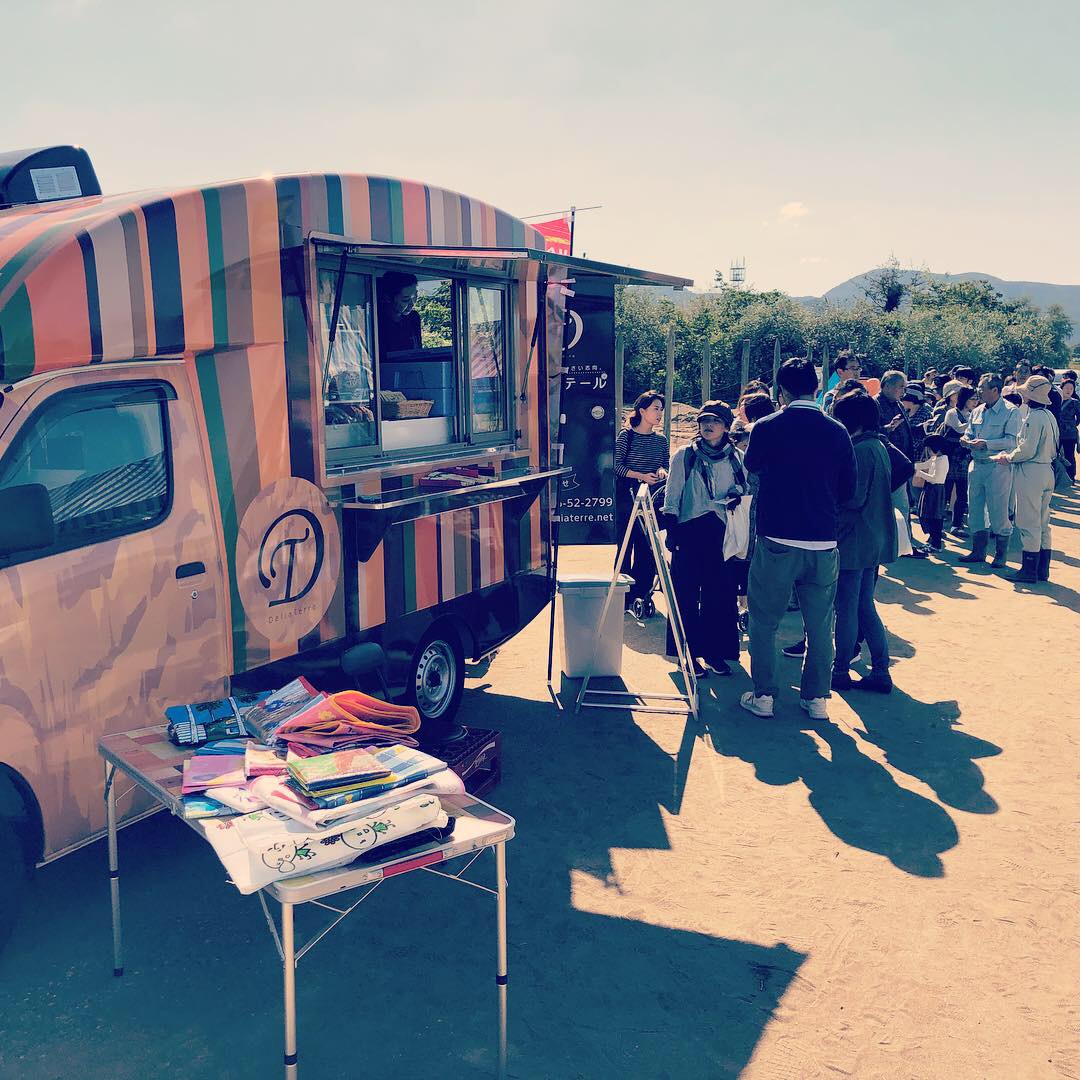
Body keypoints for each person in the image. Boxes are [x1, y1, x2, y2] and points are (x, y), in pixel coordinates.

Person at [739, 357, 857, 721]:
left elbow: (752, 466)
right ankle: (817, 697)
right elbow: (848, 489)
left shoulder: (766, 427)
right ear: (817, 388)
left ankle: (764, 695)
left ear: (781, 391)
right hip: (822, 541)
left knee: (764, 620)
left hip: (776, 537)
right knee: (820, 625)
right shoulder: (838, 431)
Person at [662, 400, 746, 677]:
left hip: (724, 534)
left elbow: (745, 489)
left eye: (716, 421)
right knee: (685, 596)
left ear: (726, 426)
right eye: (704, 421)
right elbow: (672, 495)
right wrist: (671, 530)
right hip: (689, 532)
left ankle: (715, 653)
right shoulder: (685, 455)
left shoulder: (737, 457)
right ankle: (687, 655)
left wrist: (736, 496)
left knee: (720, 596)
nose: (708, 426)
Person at [830, 391, 897, 693]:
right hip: (872, 539)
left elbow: (853, 498)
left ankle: (840, 669)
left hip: (853, 539)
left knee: (846, 609)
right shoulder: (877, 446)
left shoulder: (859, 450)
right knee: (864, 606)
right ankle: (880, 670)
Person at [992, 375, 1059, 583]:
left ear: (1030, 395)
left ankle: (1029, 570)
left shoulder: (1034, 417)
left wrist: (1008, 457)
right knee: (1043, 522)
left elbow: (1027, 450)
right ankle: (1041, 570)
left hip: (1031, 471)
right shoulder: (1049, 416)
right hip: (1047, 470)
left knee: (1028, 521)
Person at [613, 392, 669, 613]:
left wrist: (661, 471)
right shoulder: (626, 436)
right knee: (626, 546)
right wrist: (640, 475)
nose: (659, 413)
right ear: (642, 411)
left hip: (652, 498)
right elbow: (616, 466)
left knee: (647, 546)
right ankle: (621, 595)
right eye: (655, 408)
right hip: (628, 496)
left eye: (661, 409)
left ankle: (642, 594)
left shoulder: (661, 440)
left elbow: (665, 464)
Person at [958, 373, 1020, 567]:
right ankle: (978, 551)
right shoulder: (977, 411)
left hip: (997, 467)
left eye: (982, 388)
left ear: (995, 390)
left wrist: (987, 444)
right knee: (975, 510)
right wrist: (966, 440)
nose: (978, 391)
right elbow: (969, 432)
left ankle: (1001, 554)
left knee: (998, 510)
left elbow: (1012, 441)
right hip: (976, 465)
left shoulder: (1011, 411)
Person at [875, 370, 926, 557]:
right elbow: (871, 432)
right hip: (886, 464)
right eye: (900, 387)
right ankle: (900, 546)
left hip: (900, 465)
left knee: (902, 506)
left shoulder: (897, 404)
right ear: (887, 385)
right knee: (895, 506)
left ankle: (903, 544)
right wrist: (888, 428)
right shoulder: (875, 404)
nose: (903, 392)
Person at [941, 386, 977, 536]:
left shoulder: (970, 414)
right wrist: (975, 420)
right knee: (945, 492)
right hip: (950, 457)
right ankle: (938, 526)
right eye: (972, 399)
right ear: (964, 399)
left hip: (964, 459)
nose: (975, 402)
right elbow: (960, 429)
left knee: (962, 494)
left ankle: (957, 525)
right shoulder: (952, 413)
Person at [915, 433, 950, 551]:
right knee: (927, 515)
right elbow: (924, 465)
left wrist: (920, 473)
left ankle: (936, 544)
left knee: (935, 517)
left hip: (936, 490)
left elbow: (935, 479)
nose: (929, 452)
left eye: (930, 449)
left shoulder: (943, 460)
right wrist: (912, 466)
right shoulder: (936, 458)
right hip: (930, 489)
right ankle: (932, 539)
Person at [377, 271, 422, 356]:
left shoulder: (413, 317)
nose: (412, 303)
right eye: (405, 300)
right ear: (388, 298)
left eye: (415, 297)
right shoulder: (376, 321)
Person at [822, 350, 862, 414]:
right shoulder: (831, 396)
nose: (857, 372)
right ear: (840, 372)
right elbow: (830, 417)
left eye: (858, 368)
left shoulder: (863, 393)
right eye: (853, 368)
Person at [1059, 373, 1079, 483]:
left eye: (1071, 388)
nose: (1069, 390)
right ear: (1061, 388)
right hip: (1057, 432)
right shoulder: (1056, 401)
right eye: (1066, 388)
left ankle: (1071, 476)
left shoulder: (1075, 402)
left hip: (1070, 434)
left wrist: (1071, 424)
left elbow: (1079, 417)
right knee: (1056, 454)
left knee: (1069, 455)